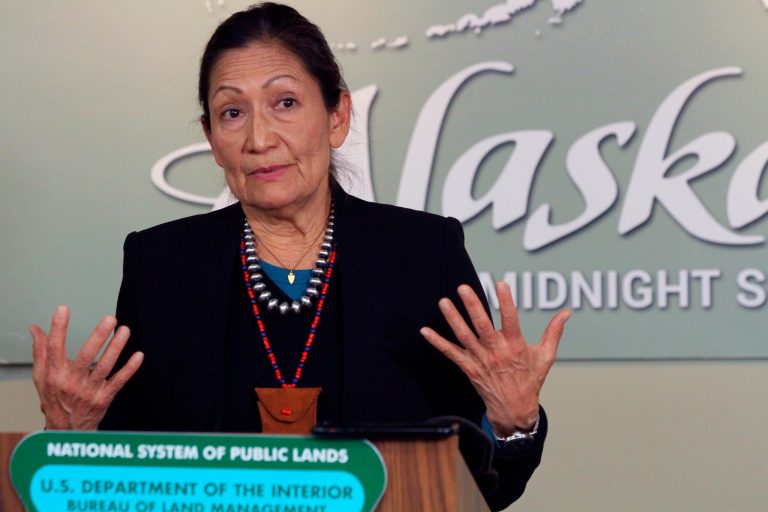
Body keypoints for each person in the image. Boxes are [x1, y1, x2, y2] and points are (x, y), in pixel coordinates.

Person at [29, 3, 570, 509]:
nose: (260, 138)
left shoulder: (423, 253)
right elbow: (117, 479)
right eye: (232, 112)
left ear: (337, 116)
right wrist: (67, 439)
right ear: (212, 140)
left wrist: (514, 422)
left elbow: (484, 490)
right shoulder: (162, 265)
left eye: (285, 103)